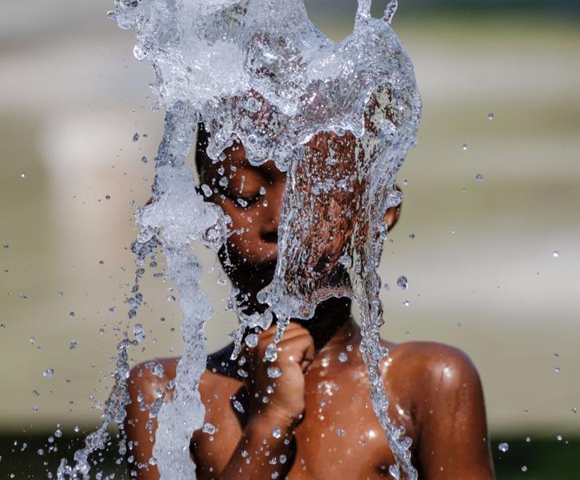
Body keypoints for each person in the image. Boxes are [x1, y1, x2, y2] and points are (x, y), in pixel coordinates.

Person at [124, 125, 495, 479]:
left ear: (378, 208)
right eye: (245, 193)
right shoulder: (167, 394)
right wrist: (267, 427)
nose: (279, 221)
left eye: (314, 192)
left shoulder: (427, 384)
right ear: (202, 215)